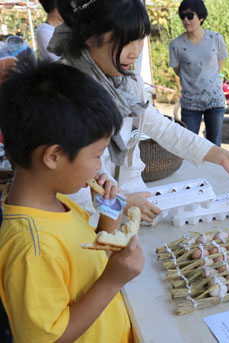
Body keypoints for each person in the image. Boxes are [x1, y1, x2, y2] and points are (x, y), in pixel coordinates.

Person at [50, 0, 229, 225]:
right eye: (126, 41)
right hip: (88, 218)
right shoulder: (63, 90)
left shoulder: (127, 82)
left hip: (133, 203)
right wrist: (121, 202)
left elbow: (162, 128)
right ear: (89, 36)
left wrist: (220, 155)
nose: (135, 52)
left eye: (140, 39)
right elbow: (67, 180)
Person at [0, 60, 144, 342]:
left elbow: (89, 260)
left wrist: (109, 217)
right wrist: (113, 281)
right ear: (53, 156)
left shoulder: (59, 205)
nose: (99, 165)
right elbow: (49, 337)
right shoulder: (31, 247)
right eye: (96, 154)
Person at [169, 0, 228, 146]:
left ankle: (213, 170)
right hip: (190, 103)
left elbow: (219, 65)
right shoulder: (176, 45)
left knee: (214, 144)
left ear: (201, 17)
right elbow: (178, 71)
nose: (186, 20)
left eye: (190, 15)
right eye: (182, 16)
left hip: (215, 100)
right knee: (187, 145)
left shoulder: (216, 39)